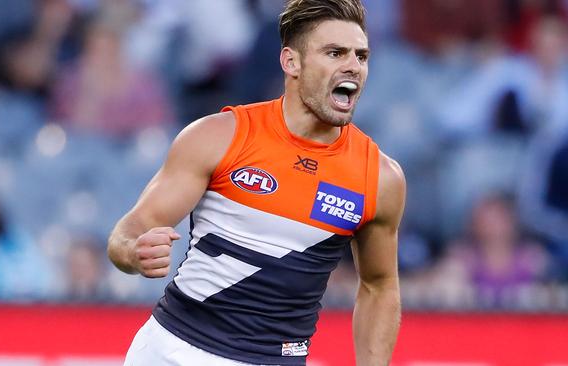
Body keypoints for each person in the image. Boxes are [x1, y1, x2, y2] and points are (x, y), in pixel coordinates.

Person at [107, 0, 406, 365]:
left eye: (361, 56)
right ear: (291, 62)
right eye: (335, 53)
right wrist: (133, 253)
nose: (353, 66)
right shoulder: (219, 136)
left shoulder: (379, 177)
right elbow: (129, 230)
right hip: (172, 350)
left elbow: (379, 287)